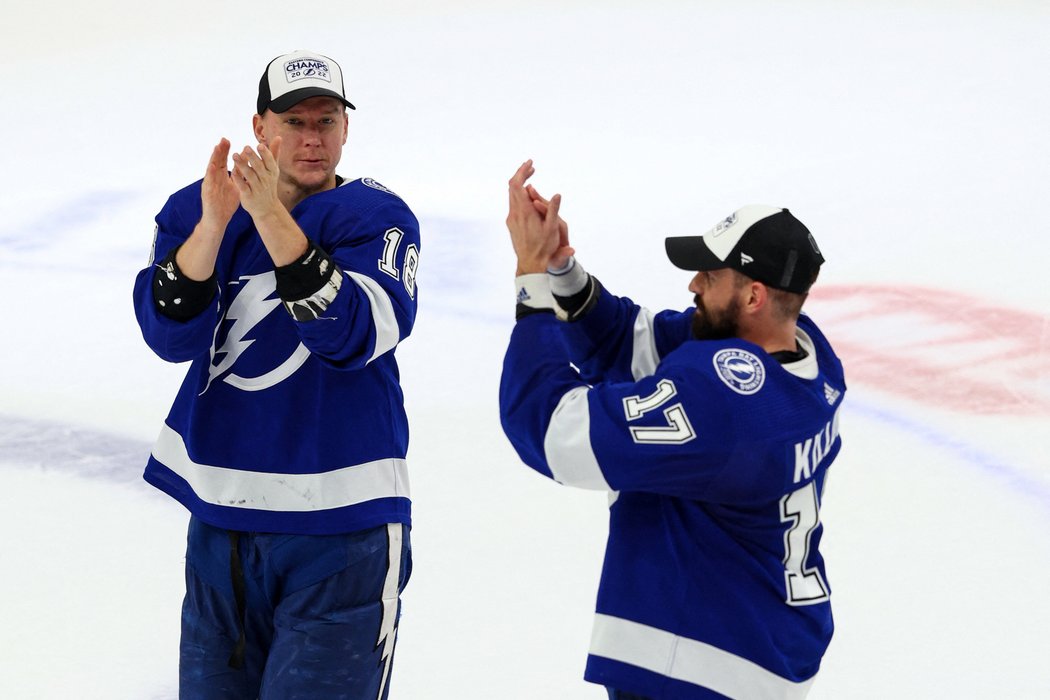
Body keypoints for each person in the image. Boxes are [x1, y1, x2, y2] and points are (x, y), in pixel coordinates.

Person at [500, 160, 845, 700]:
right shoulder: (806, 354)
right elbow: (637, 344)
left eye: (710, 276)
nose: (693, 284)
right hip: (759, 651)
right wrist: (562, 272)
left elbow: (551, 432)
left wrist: (530, 283)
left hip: (698, 668)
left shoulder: (724, 401)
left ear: (753, 296)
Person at [132, 50, 419, 699]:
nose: (313, 137)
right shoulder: (200, 207)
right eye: (294, 121)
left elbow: (350, 334)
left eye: (326, 120)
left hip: (343, 525)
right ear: (260, 128)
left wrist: (267, 215)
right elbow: (168, 333)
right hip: (222, 521)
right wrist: (213, 225)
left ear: (347, 129)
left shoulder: (376, 218)